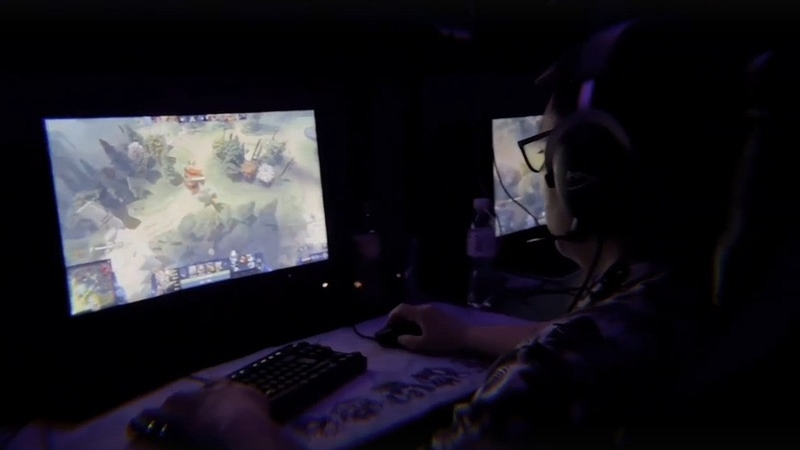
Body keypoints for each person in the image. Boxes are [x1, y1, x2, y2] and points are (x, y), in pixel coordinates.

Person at [144, 18, 751, 450]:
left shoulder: (562, 369)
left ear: (587, 173)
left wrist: (237, 423)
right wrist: (470, 329)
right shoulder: (709, 294)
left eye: (549, 148)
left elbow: (577, 355)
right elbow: (604, 341)